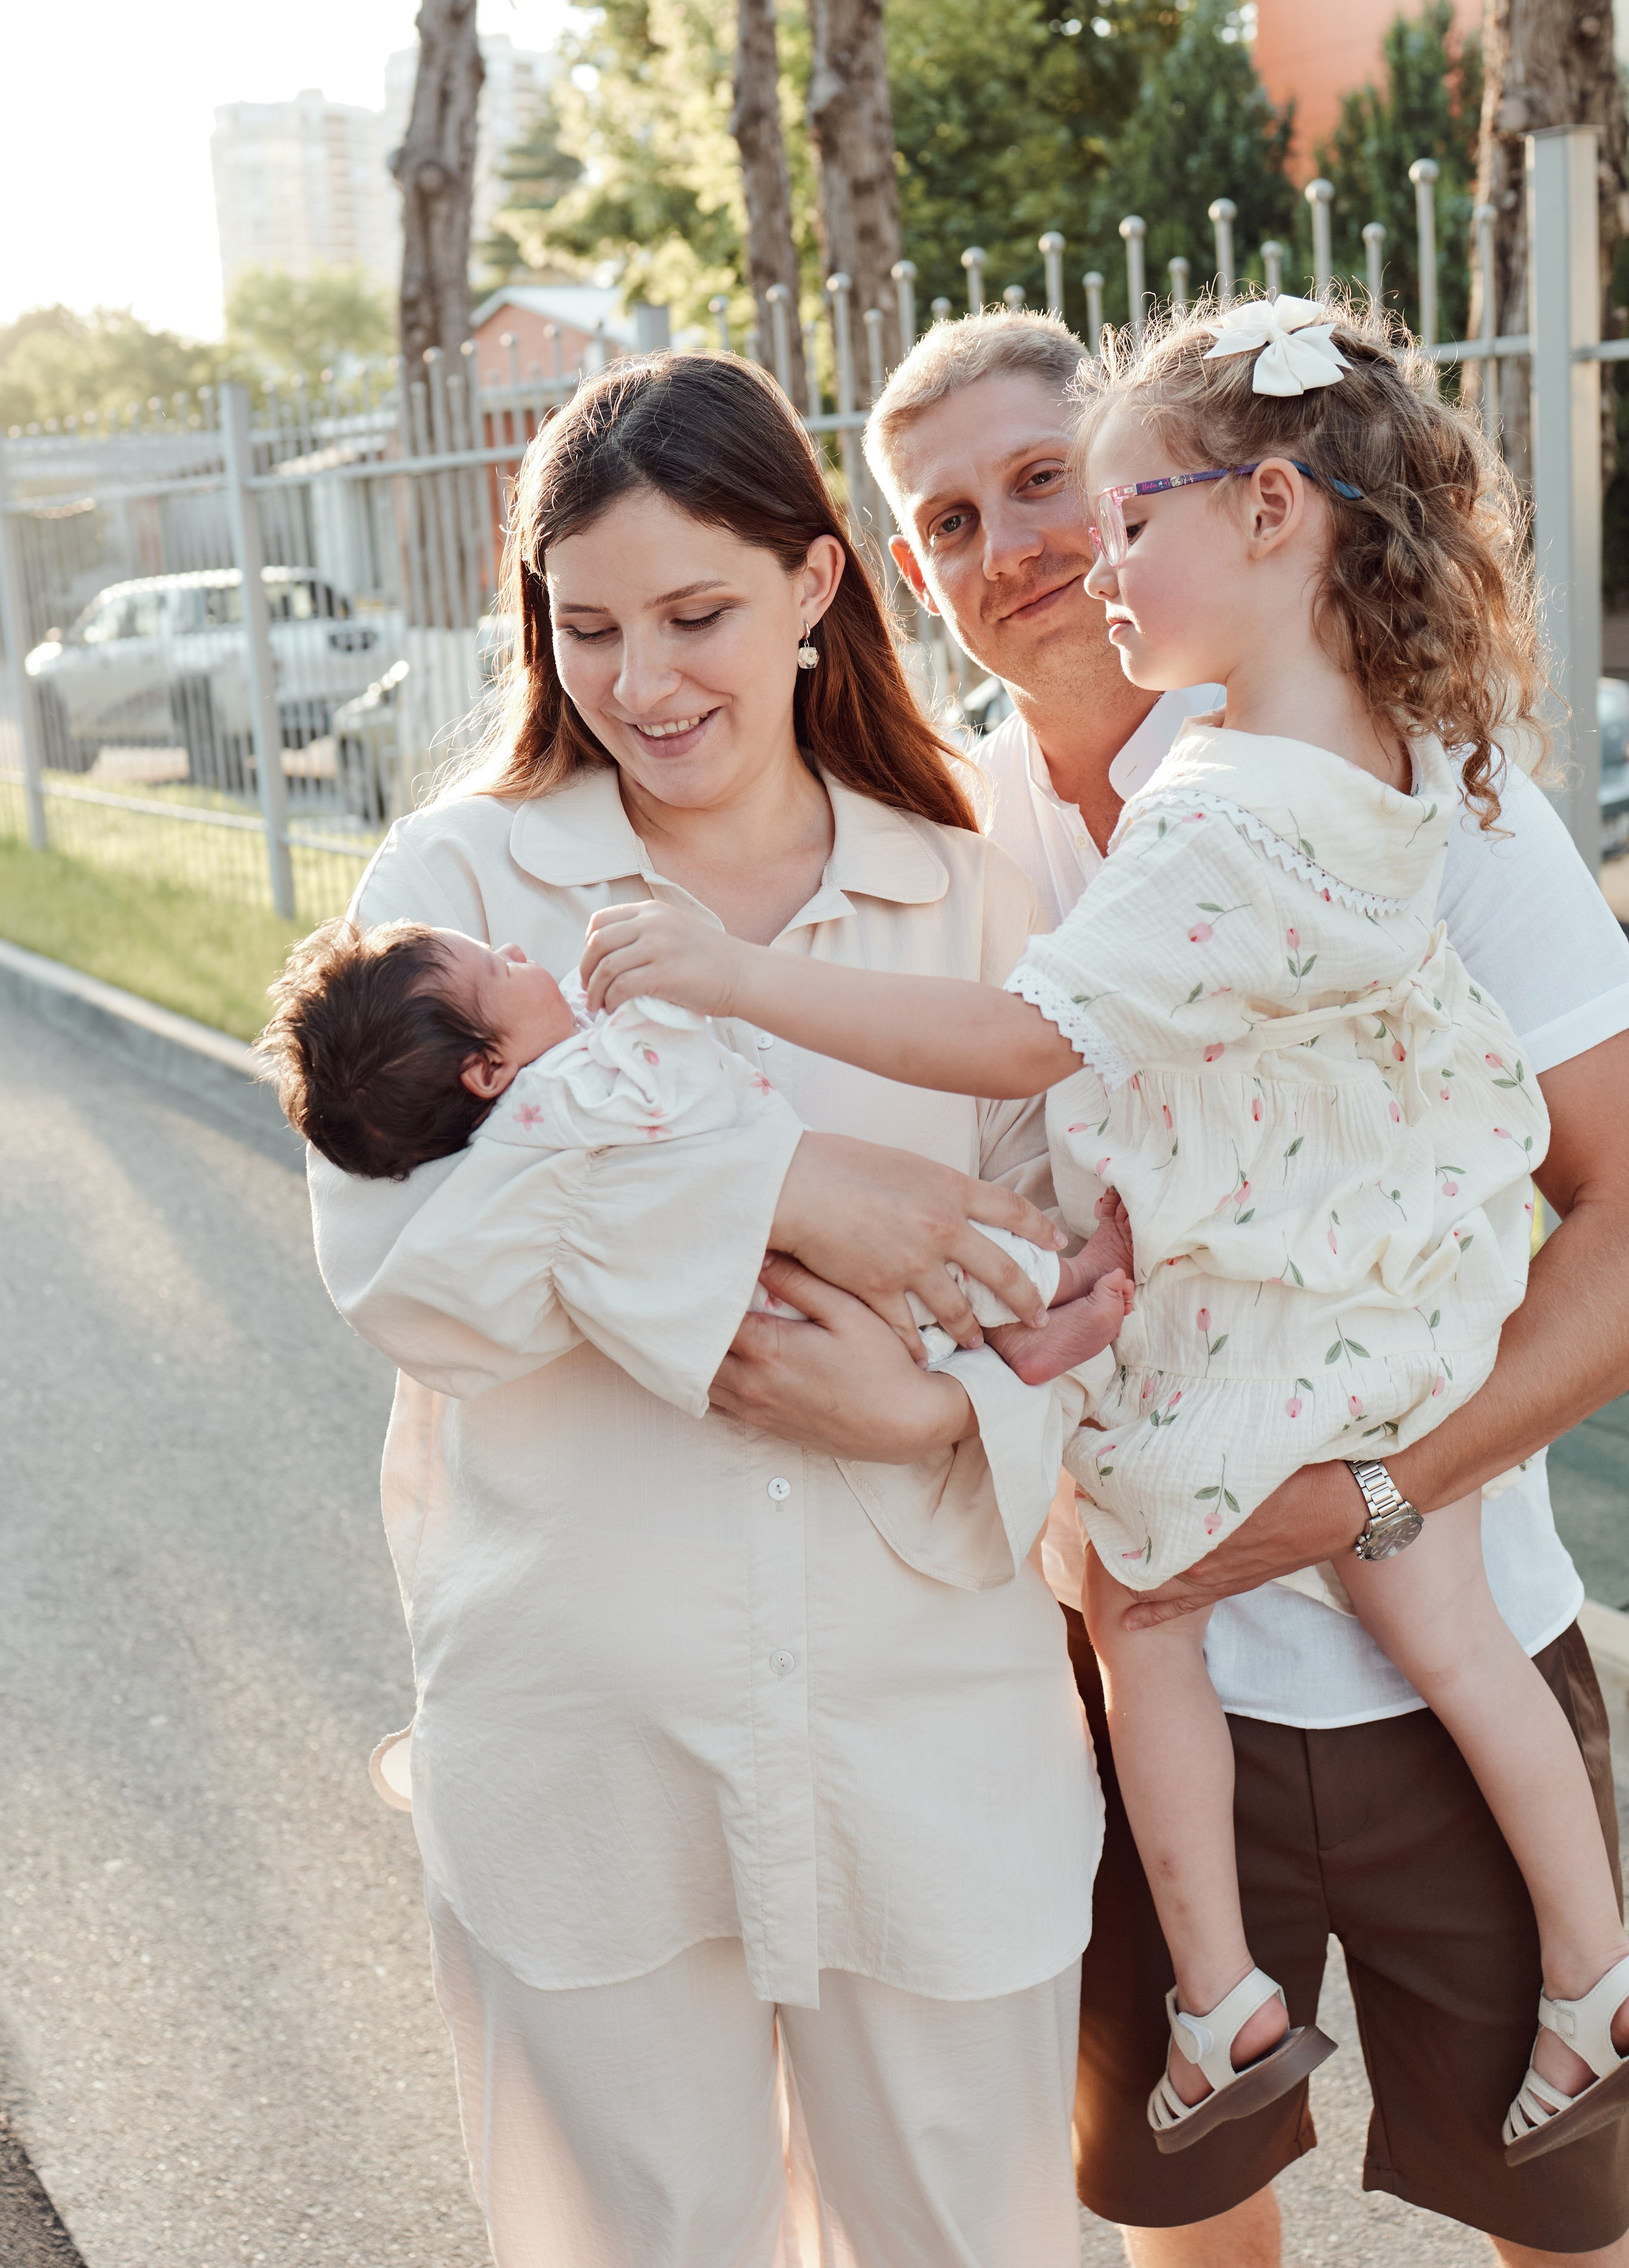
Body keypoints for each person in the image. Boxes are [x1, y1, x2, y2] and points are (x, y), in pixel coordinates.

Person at [581, 290, 1629, 2169]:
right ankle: (1262, 2000)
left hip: (1424, 1624)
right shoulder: (937, 837)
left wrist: (1376, 1496)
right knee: (1190, 2205)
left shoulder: (1408, 785)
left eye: (1064, 484)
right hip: (1128, 1687)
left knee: (1553, 2219)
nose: (1034, 545)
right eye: (954, 518)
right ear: (904, 569)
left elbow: (1625, 1209)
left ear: (1241, 510)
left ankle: (1586, 1975)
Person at [303, 347, 1103, 2268]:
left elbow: (1102, 1284)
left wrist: (942, 1415)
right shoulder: (458, 889)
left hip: (931, 1744)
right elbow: (419, 1281)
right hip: (586, 1752)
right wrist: (790, 1187)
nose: (642, 683)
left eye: (695, 616)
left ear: (819, 589)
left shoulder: (979, 894)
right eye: (585, 629)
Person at [262, 912, 1135, 1377]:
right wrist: (657, 990)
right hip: (778, 1285)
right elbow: (662, 1068)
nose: (521, 950)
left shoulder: (534, 1112)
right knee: (949, 1257)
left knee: (924, 1286)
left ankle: (1023, 1341)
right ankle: (1068, 1285)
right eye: (500, 967)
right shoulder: (565, 1098)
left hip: (754, 1286)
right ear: (489, 1072)